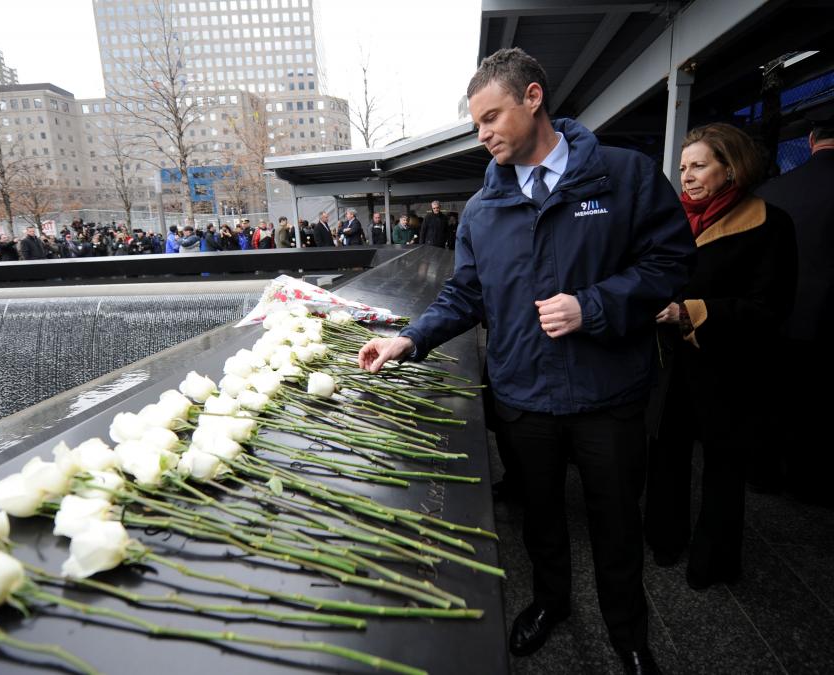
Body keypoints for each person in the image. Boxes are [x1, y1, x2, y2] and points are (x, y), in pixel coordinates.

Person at [356, 47, 695, 674]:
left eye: (490, 117)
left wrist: (592, 306)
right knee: (539, 519)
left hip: (610, 397)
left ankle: (630, 634)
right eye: (476, 123)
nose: (482, 135)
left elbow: (672, 265)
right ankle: (550, 602)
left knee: (617, 525)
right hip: (523, 398)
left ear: (533, 98)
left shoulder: (625, 177)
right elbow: (466, 293)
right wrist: (409, 340)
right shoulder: (483, 209)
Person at [644, 123, 796, 587]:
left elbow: (771, 308)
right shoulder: (672, 222)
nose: (687, 176)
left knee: (724, 470)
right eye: (684, 166)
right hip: (672, 367)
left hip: (731, 369)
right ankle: (664, 542)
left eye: (700, 165)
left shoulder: (771, 223)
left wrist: (690, 312)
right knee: (666, 457)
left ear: (730, 168)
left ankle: (714, 562)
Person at [755, 114, 834, 505]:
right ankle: (809, 482)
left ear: (809, 140)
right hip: (825, 321)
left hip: (773, 315)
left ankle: (764, 472)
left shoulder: (773, 190)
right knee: (818, 408)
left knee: (772, 397)